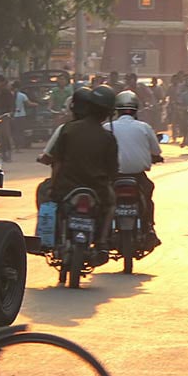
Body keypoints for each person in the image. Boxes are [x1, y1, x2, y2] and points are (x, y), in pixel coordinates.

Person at [50, 85, 119, 259]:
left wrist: (53, 186)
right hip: (97, 189)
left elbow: (57, 162)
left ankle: (52, 238)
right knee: (111, 204)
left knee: (51, 203)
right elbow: (112, 171)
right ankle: (102, 241)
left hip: (66, 186)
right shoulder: (108, 137)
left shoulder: (68, 129)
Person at [104, 90, 162, 251]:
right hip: (137, 177)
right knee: (148, 193)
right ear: (136, 109)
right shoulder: (144, 127)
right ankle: (149, 227)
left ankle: (103, 232)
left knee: (104, 200)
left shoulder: (108, 127)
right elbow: (156, 151)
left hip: (113, 177)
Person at [11, 80, 37, 151]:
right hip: (21, 116)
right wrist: (36, 104)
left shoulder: (10, 94)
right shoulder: (22, 95)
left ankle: (16, 145)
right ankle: (19, 146)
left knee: (14, 131)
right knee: (20, 131)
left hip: (12, 116)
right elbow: (28, 104)